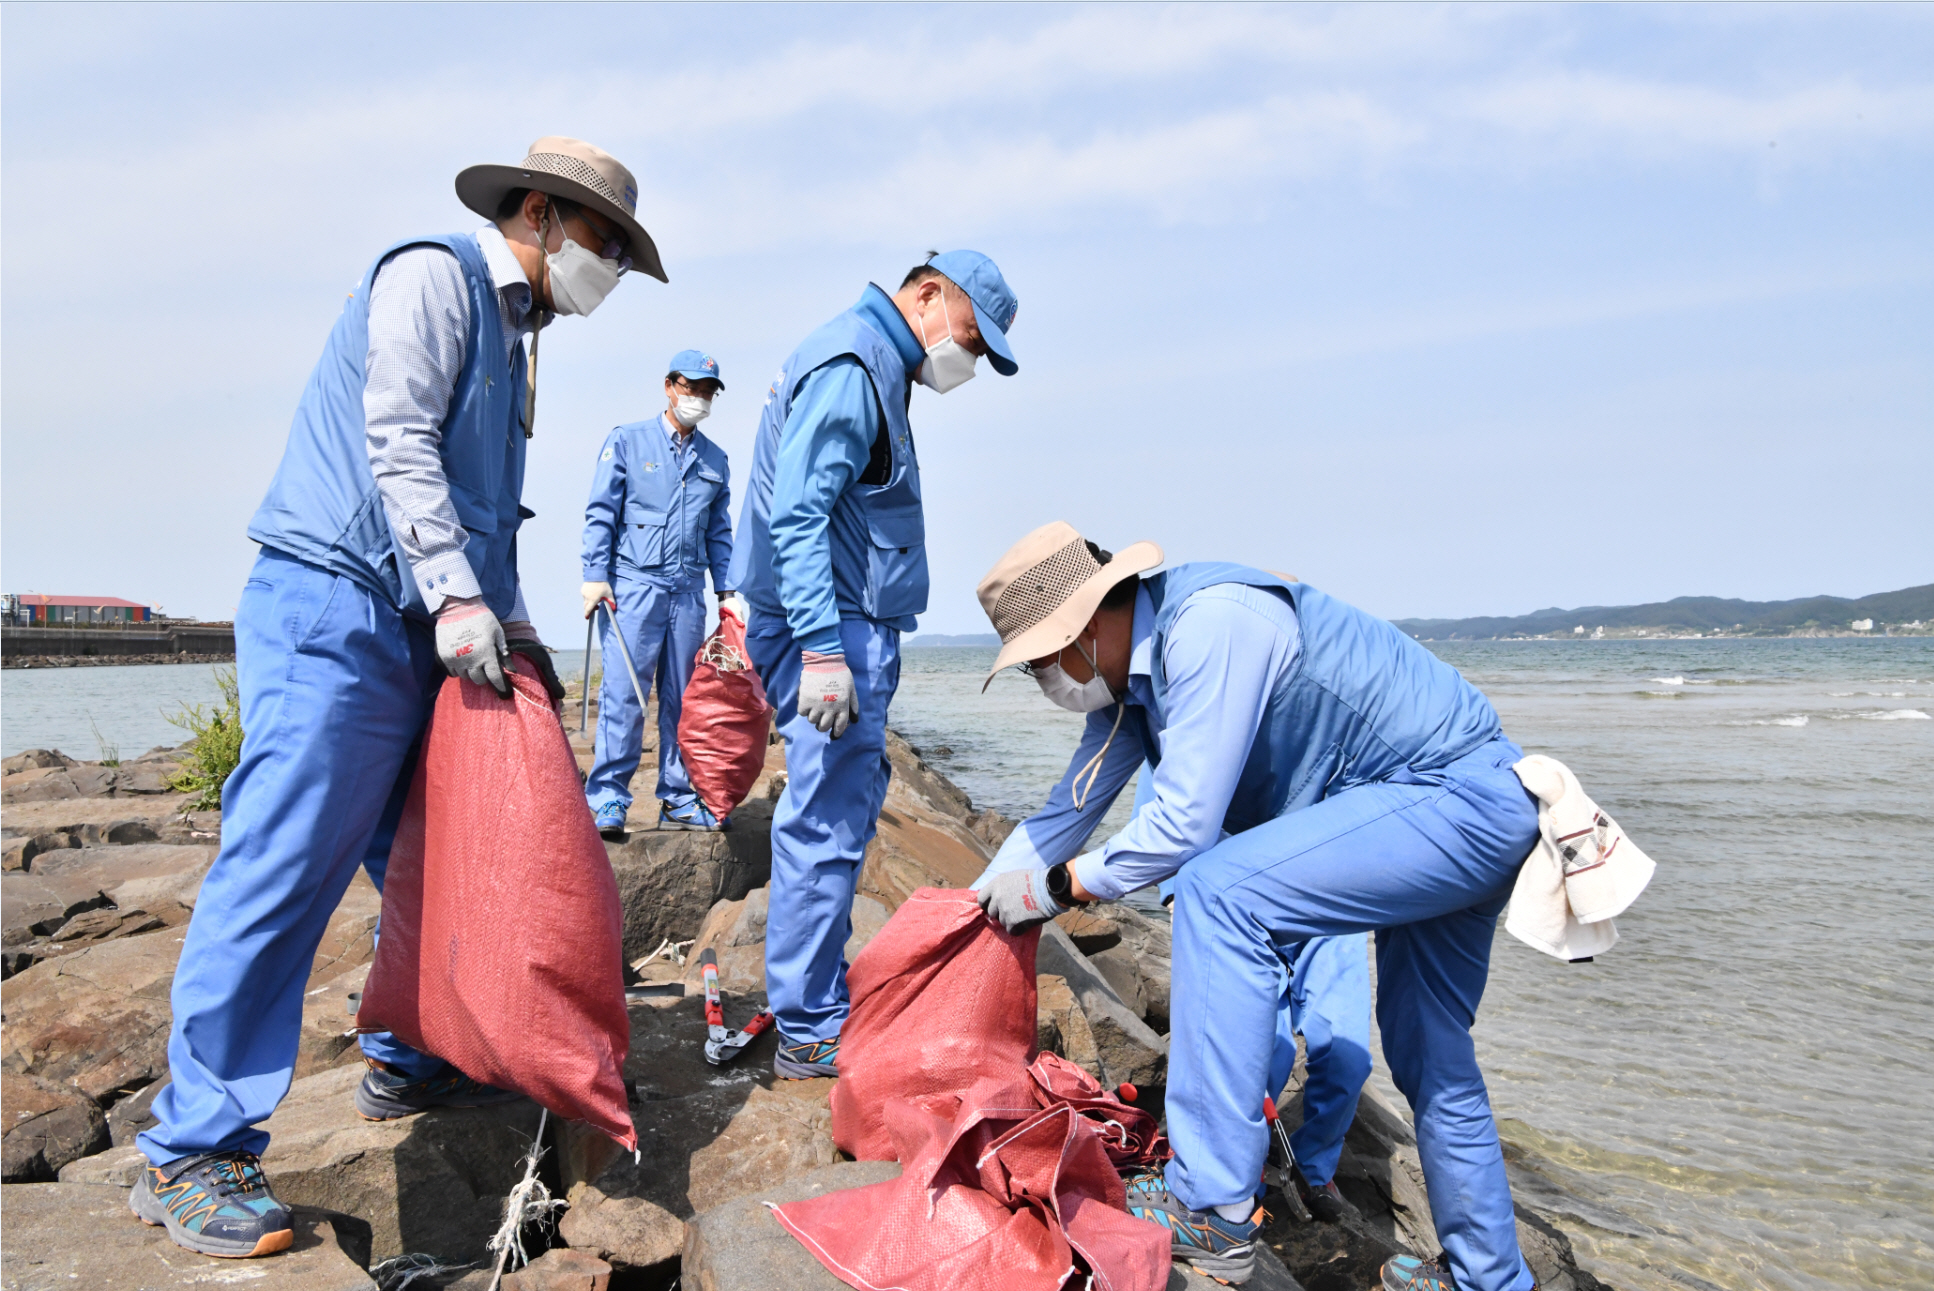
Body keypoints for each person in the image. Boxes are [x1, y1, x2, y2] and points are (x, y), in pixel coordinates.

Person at [132, 137, 662, 1260]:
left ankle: (413, 1051)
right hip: (337, 605)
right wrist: (459, 600)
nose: (606, 270)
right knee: (284, 860)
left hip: (430, 620)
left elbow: (492, 512)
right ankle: (191, 1150)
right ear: (543, 215)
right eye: (606, 244)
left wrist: (509, 633)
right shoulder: (432, 276)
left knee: (432, 849)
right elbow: (399, 442)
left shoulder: (521, 343)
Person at [973, 522, 1542, 1291]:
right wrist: (972, 907)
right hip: (1439, 811)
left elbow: (1182, 827)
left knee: (1217, 892)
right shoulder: (1129, 691)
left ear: (1084, 624)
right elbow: (1063, 813)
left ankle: (1211, 1210)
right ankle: (1491, 1277)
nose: (1047, 680)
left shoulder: (1211, 623)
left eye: (1042, 662)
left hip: (1456, 798)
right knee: (1428, 1051)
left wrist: (1057, 887)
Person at [728, 250, 1019, 1079]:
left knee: (842, 811)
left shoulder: (874, 359)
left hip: (842, 625)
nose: (970, 361)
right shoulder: (857, 363)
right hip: (833, 630)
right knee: (826, 820)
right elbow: (798, 515)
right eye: (970, 336)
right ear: (928, 295)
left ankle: (809, 998)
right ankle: (809, 1023)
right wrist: (823, 647)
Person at [581, 349, 737, 836]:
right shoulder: (628, 441)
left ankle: (678, 796)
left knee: (683, 700)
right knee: (624, 696)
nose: (700, 397)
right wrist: (594, 573)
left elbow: (720, 532)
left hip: (688, 593)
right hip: (633, 587)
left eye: (709, 391)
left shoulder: (716, 459)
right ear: (670, 386)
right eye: (692, 387)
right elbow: (601, 510)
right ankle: (609, 798)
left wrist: (728, 590)